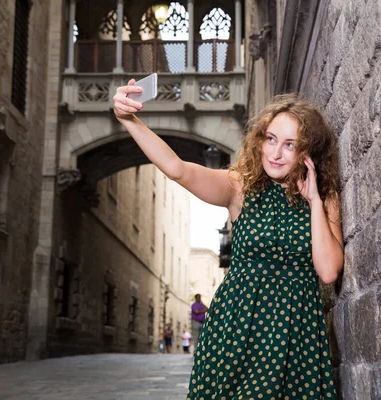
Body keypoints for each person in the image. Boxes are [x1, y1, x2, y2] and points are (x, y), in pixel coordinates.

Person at [113, 83, 343, 399]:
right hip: (239, 324)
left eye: (290, 145)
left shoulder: (326, 199)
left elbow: (328, 272)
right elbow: (179, 170)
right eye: (271, 139)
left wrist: (314, 201)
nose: (275, 153)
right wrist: (130, 122)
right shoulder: (240, 187)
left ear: (308, 152)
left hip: (297, 328)